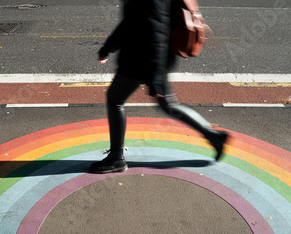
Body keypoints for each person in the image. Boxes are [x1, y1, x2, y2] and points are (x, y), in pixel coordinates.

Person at [89, 0, 228, 174]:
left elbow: (154, 29)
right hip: (153, 58)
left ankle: (116, 158)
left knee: (115, 100)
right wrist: (108, 48)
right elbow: (132, 22)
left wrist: (154, 76)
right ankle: (213, 136)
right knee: (168, 104)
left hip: (141, 59)